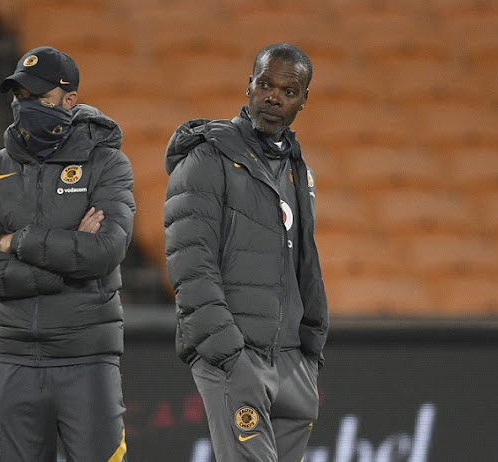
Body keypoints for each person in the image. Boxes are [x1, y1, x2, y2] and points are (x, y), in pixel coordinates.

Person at [0, 46, 135, 462]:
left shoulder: (107, 164)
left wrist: (16, 241)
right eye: (19, 95)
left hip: (87, 358)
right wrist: (61, 271)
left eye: (38, 95)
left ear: (68, 99)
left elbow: (106, 250)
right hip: (10, 358)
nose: (25, 105)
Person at [164, 43, 329, 461]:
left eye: (288, 91)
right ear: (249, 86)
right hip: (237, 357)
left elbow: (304, 265)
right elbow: (190, 265)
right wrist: (230, 355)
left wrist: (309, 352)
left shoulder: (299, 168)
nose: (274, 97)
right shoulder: (207, 158)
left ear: (304, 101)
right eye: (265, 84)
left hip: (293, 361)